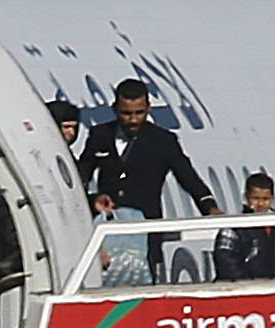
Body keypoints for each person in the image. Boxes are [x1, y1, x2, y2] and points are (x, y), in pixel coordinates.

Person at [77, 78, 222, 278]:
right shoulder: (100, 135)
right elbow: (82, 174)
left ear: (148, 109)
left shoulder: (162, 140)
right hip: (108, 227)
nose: (133, 120)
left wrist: (209, 207)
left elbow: (188, 177)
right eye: (126, 113)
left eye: (139, 113)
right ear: (115, 109)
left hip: (146, 226)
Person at [214, 173, 275, 280]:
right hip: (244, 288)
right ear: (246, 197)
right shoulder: (233, 228)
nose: (260, 204)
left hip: (273, 286)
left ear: (272, 199)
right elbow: (225, 262)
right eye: (255, 198)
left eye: (265, 199)